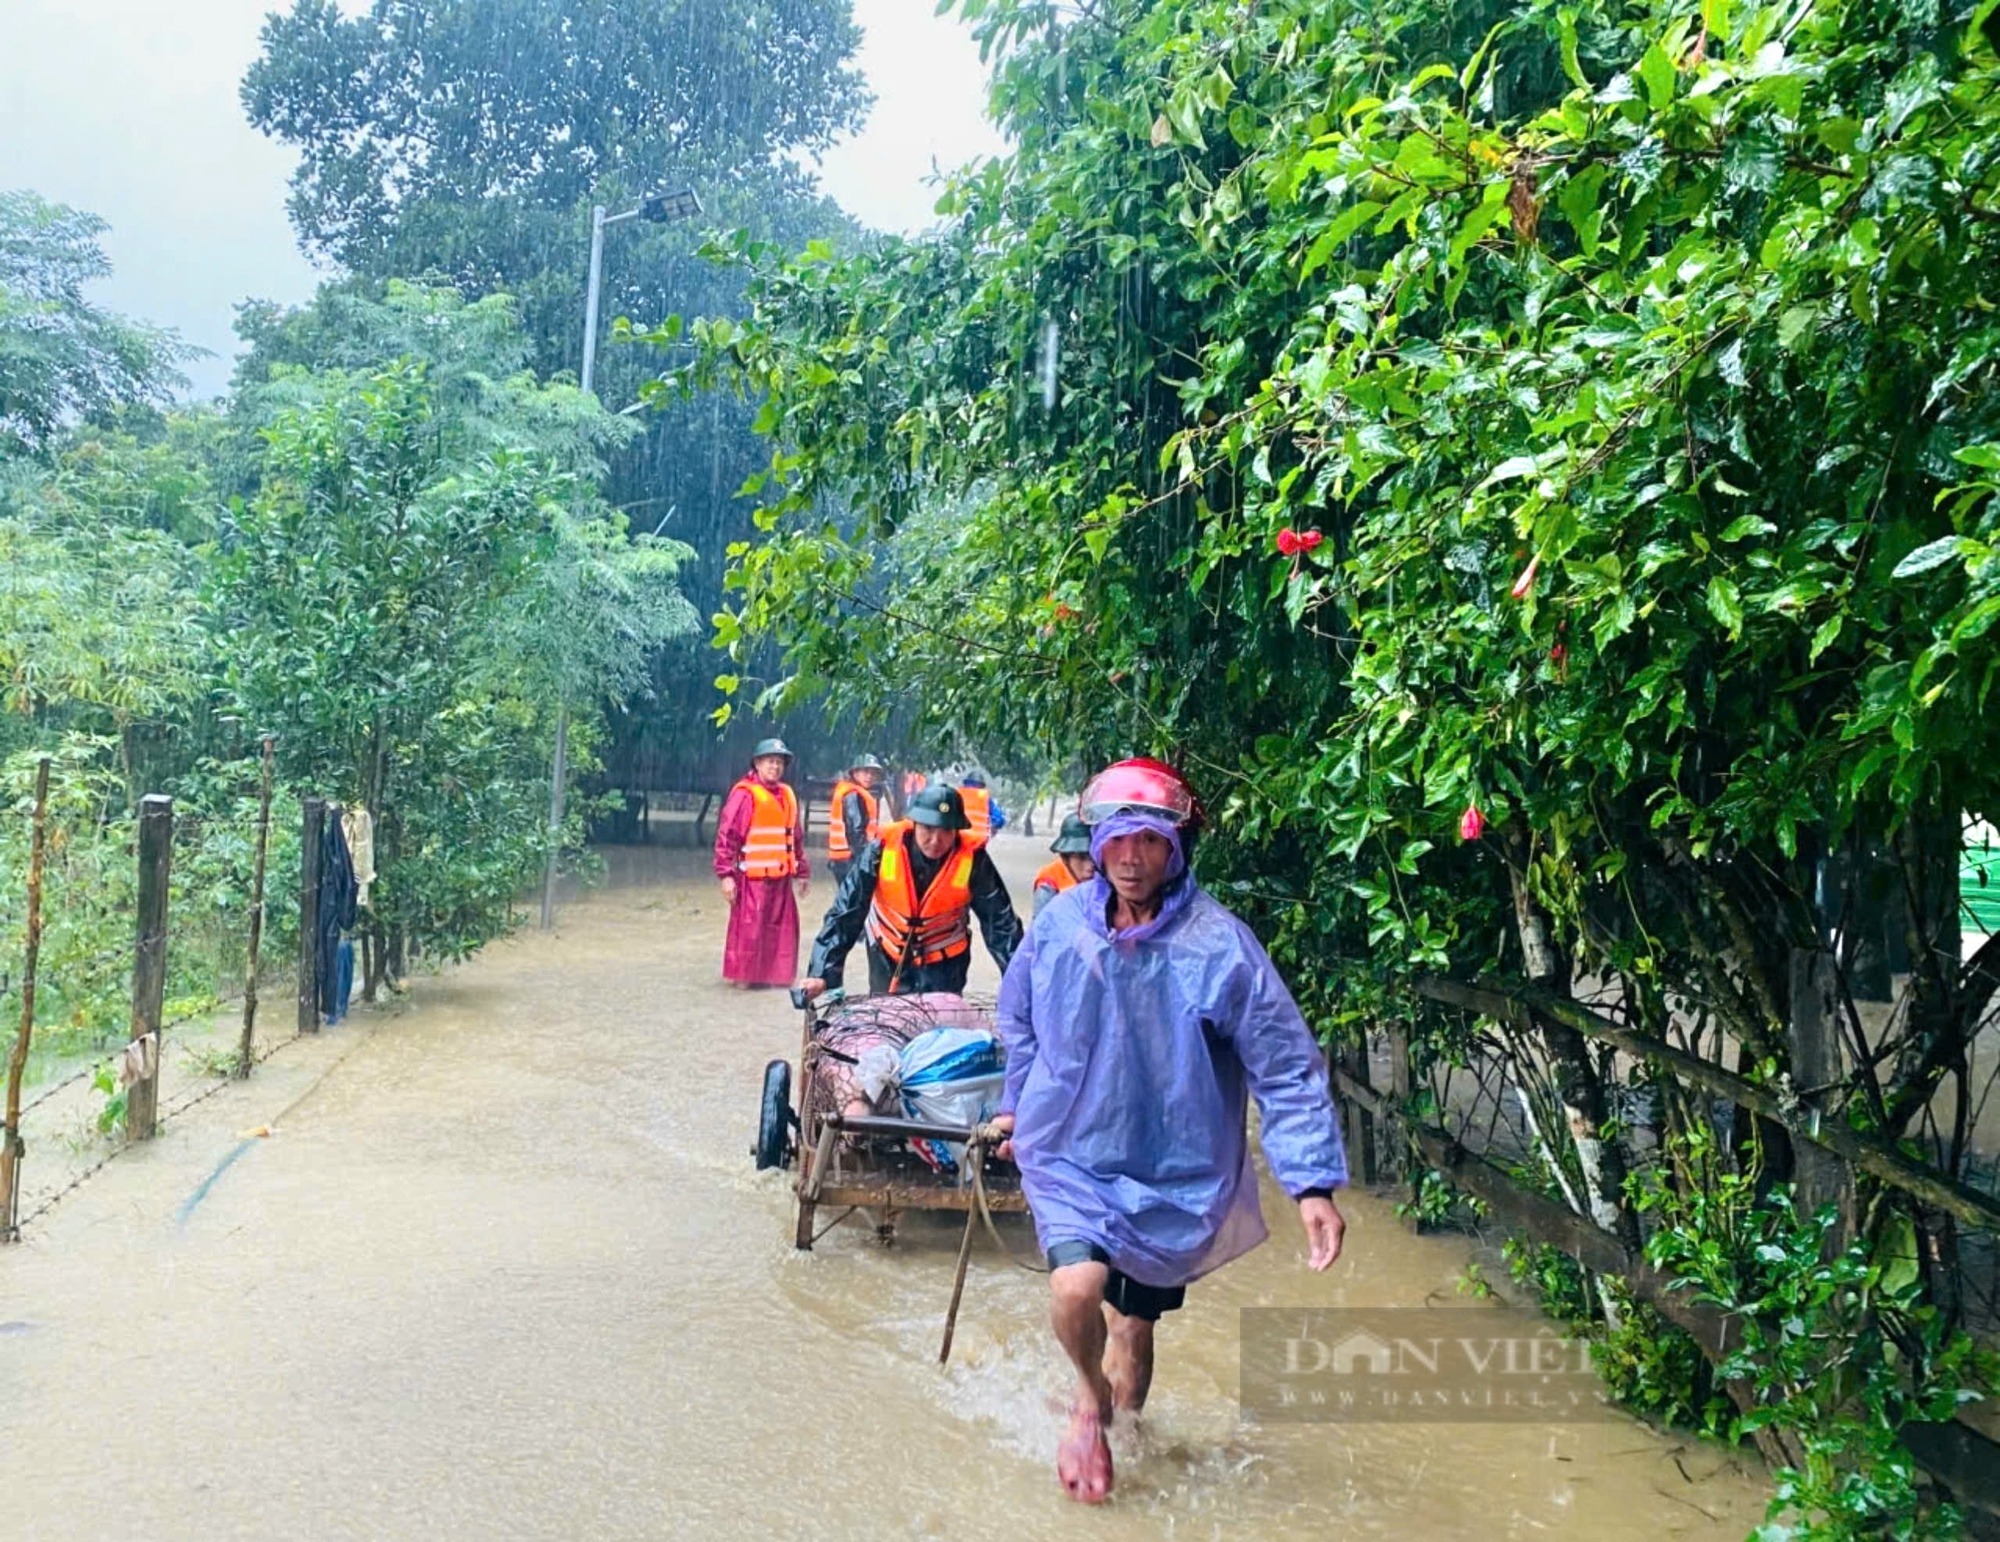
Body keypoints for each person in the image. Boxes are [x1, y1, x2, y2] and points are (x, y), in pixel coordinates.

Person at [991, 758, 1348, 1505]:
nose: (1130, 858)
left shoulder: (1219, 946)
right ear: (1098, 842)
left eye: (1150, 842)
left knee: (1136, 1333)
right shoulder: (1059, 928)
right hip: (1073, 1152)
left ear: (1177, 848)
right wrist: (1018, 1105)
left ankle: (1127, 1436)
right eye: (1119, 839)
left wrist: (1311, 1182)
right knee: (1076, 1288)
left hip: (1172, 1169)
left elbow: (1283, 1063)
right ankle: (1090, 1402)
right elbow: (1018, 1016)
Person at [801, 782, 1023, 999]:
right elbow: (847, 910)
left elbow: (1001, 923)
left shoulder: (974, 859)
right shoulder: (882, 849)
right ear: (914, 823)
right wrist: (821, 972)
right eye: (928, 828)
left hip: (946, 963)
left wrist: (1020, 980)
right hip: (886, 954)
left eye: (946, 831)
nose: (936, 840)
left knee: (940, 1029)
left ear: (956, 831)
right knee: (889, 1024)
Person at [712, 738, 810, 989]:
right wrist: (726, 876)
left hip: (781, 878)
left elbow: (795, 837)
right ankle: (745, 979)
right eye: (770, 761)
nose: (775, 767)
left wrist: (803, 871)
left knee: (782, 932)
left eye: (779, 762)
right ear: (757, 763)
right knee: (750, 931)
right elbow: (727, 836)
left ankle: (774, 978)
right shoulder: (745, 795)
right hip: (752, 880)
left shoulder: (787, 795)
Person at [826, 754, 886, 891]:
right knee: (853, 903)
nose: (869, 776)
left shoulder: (853, 792)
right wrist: (866, 860)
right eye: (865, 772)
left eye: (873, 773)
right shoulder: (853, 795)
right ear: (854, 772)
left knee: (848, 901)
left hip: (843, 858)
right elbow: (856, 831)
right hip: (850, 859)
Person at [1031, 816, 1096, 916]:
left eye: (1094, 857)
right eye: (1081, 858)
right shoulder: (1049, 881)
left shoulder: (1110, 876)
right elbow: (1042, 926)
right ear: (1065, 858)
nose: (1090, 867)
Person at [959, 769, 1007, 847]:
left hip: (959, 840)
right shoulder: (986, 798)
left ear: (966, 783)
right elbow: (1000, 819)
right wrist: (994, 827)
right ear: (981, 785)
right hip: (979, 842)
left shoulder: (958, 795)